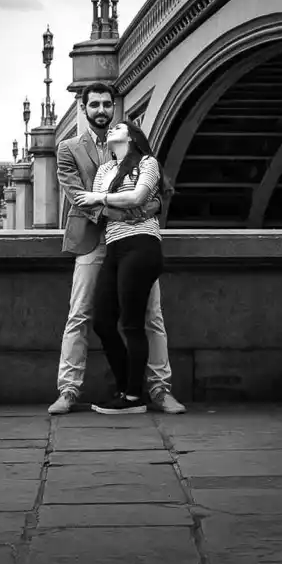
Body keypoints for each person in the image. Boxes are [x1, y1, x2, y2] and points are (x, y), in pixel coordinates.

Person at [48, 83, 185, 415]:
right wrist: (129, 210)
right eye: (94, 104)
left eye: (107, 104)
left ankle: (159, 389)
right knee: (80, 315)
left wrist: (142, 207)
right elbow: (78, 197)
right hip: (94, 240)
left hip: (134, 243)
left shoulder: (134, 147)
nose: (101, 110)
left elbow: (153, 196)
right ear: (83, 108)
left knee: (152, 316)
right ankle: (68, 390)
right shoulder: (68, 149)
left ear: (115, 108)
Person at [70, 117, 170, 415]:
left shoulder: (147, 163)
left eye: (120, 127)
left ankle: (131, 397)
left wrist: (104, 197)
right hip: (114, 248)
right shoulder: (105, 170)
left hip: (142, 246)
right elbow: (97, 209)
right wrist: (134, 208)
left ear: (132, 136)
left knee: (132, 324)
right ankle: (130, 385)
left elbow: (137, 195)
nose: (112, 128)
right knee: (102, 321)